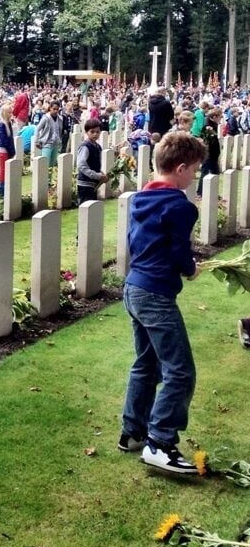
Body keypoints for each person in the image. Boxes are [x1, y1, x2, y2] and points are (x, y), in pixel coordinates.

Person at [118, 131, 207, 474]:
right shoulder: (180, 206)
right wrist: (190, 269)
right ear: (181, 168)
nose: (195, 177)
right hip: (155, 294)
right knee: (180, 371)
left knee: (147, 363)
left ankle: (133, 430)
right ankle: (160, 442)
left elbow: (139, 242)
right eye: (195, 170)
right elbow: (178, 251)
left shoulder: (142, 198)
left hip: (134, 287)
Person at [76, 118, 107, 204]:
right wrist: (96, 175)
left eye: (97, 132)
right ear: (86, 132)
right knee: (85, 209)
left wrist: (102, 174)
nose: (95, 134)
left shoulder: (97, 146)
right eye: (92, 132)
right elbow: (81, 165)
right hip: (85, 184)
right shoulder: (85, 146)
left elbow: (94, 164)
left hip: (93, 183)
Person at [0, 103, 16, 199]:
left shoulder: (9, 123)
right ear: (4, 113)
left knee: (7, 170)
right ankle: (1, 191)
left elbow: (10, 138)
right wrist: (10, 151)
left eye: (11, 112)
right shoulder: (1, 124)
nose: (10, 114)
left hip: (8, 149)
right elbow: (4, 140)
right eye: (8, 112)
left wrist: (12, 150)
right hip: (3, 150)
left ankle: (6, 189)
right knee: (3, 171)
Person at [34, 101, 62, 167]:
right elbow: (37, 128)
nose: (55, 111)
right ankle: (43, 177)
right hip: (47, 143)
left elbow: (60, 130)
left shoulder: (60, 118)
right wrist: (36, 141)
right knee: (45, 164)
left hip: (56, 143)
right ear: (50, 108)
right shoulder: (45, 118)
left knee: (51, 165)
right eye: (54, 109)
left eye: (57, 109)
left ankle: (49, 177)